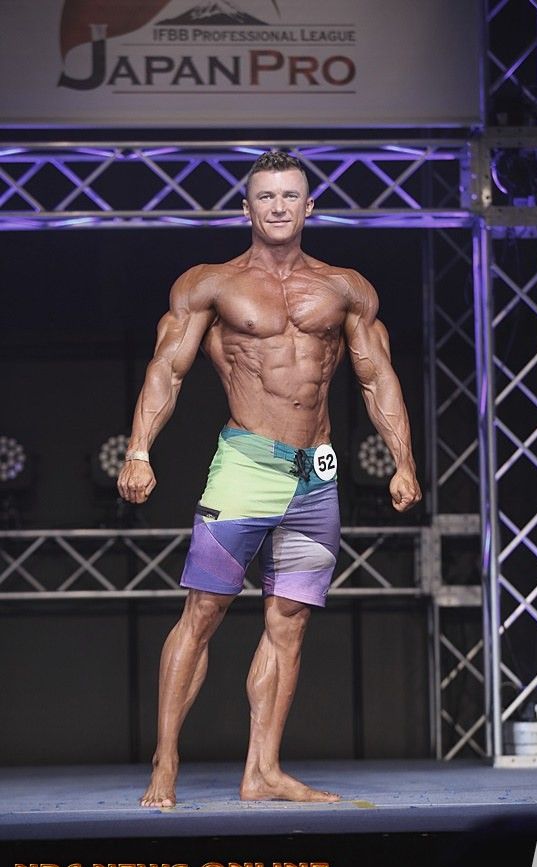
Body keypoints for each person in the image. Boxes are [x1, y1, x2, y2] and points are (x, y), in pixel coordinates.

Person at [117, 150, 421, 808]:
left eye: (289, 196)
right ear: (246, 208)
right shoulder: (212, 284)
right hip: (246, 465)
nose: (278, 207)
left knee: (289, 621)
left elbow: (377, 377)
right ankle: (165, 760)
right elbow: (167, 370)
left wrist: (404, 460)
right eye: (266, 196)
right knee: (203, 612)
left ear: (309, 207)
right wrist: (139, 449)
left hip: (317, 474)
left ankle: (263, 771)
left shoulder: (345, 288)